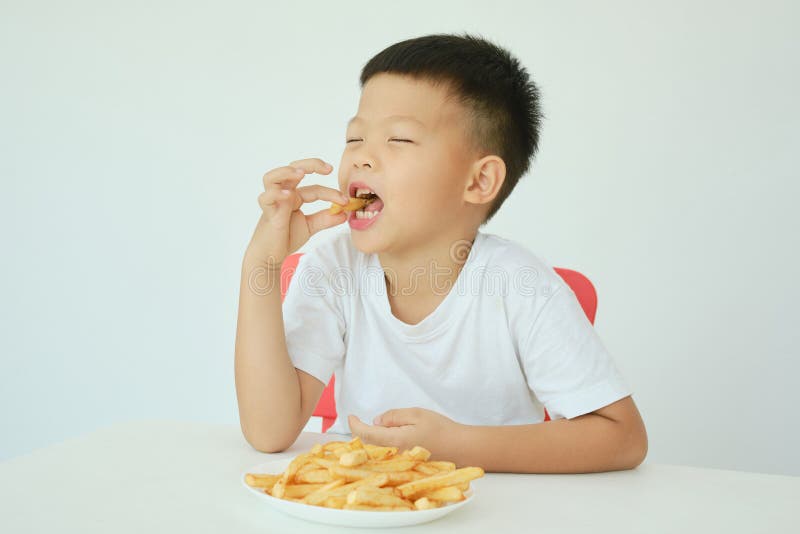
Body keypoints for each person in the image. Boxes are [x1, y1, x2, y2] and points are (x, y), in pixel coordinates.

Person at [234, 32, 648, 473]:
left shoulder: (520, 286)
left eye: (399, 140)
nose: (362, 158)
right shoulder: (335, 266)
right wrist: (261, 261)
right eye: (355, 138)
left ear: (478, 182)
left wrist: (457, 446)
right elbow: (268, 431)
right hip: (365, 506)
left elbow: (622, 437)